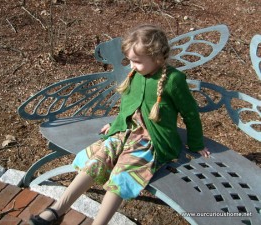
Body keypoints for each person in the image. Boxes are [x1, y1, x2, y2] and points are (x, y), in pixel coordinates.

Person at [29, 24, 210, 225]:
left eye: (137, 61)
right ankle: (57, 209)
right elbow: (128, 106)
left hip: (151, 142)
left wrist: (196, 144)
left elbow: (190, 113)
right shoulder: (136, 74)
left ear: (158, 57)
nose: (131, 66)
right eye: (130, 60)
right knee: (97, 160)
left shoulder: (174, 80)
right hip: (125, 132)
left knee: (122, 174)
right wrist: (115, 124)